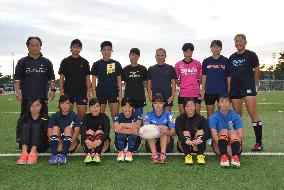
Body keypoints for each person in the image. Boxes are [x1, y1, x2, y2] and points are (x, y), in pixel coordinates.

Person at [14, 36, 55, 149]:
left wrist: (52, 90)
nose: (34, 47)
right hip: (27, 98)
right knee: (24, 120)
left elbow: (52, 78)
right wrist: (18, 92)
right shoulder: (22, 62)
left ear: (40, 47)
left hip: (42, 98)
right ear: (28, 47)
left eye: (37, 45)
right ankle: (22, 143)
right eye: (32, 45)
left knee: (44, 120)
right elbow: (17, 79)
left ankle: (43, 143)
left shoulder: (47, 62)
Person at [229, 34, 263, 151]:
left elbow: (257, 69)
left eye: (241, 41)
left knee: (253, 114)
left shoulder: (251, 55)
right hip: (235, 89)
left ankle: (258, 142)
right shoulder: (232, 57)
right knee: (237, 116)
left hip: (248, 87)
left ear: (245, 42)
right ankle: (238, 142)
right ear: (234, 43)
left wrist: (255, 83)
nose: (239, 43)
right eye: (236, 41)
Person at [58, 39, 91, 119]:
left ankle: (80, 131)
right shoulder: (65, 61)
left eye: (78, 47)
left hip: (81, 92)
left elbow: (88, 78)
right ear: (71, 48)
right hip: (68, 92)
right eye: (74, 47)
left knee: (82, 117)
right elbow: (62, 77)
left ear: (81, 49)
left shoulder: (84, 62)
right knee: (67, 116)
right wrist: (61, 90)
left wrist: (88, 90)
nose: (76, 49)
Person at [209, 95, 243, 168]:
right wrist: (227, 148)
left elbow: (240, 135)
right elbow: (214, 136)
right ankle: (223, 157)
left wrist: (231, 147)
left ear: (230, 103)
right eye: (221, 101)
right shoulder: (213, 117)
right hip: (219, 145)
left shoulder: (236, 116)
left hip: (234, 145)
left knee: (233, 131)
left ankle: (235, 157)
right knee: (224, 131)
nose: (224, 104)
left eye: (227, 101)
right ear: (218, 104)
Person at [91, 41, 122, 118]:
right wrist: (94, 95)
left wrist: (120, 94)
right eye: (104, 49)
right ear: (101, 51)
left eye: (109, 49)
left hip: (113, 92)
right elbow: (94, 80)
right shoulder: (96, 64)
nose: (107, 52)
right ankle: (100, 130)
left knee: (115, 116)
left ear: (112, 51)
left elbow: (119, 80)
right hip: (100, 92)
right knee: (99, 116)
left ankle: (116, 130)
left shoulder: (116, 64)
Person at [48, 95, 81, 165]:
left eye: (67, 103)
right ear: (59, 105)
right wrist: (59, 144)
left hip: (71, 144)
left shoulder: (75, 116)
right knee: (55, 128)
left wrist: (69, 144)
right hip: (58, 144)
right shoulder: (55, 116)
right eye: (62, 103)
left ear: (71, 105)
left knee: (68, 129)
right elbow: (49, 131)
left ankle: (63, 156)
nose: (64, 105)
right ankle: (54, 155)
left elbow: (77, 131)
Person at [175, 98, 210, 165]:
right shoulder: (180, 118)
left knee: (200, 132)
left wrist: (200, 140)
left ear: (195, 106)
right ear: (184, 108)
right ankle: (188, 156)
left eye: (192, 105)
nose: (190, 108)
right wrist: (187, 141)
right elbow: (178, 132)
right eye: (187, 106)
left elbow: (207, 131)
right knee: (185, 132)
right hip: (184, 145)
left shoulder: (201, 118)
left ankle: (200, 155)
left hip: (197, 145)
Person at [143, 94, 176, 164]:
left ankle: (163, 155)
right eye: (155, 103)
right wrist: (160, 126)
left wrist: (164, 131)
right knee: (150, 131)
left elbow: (173, 132)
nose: (158, 105)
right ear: (152, 104)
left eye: (160, 103)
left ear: (164, 103)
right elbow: (145, 126)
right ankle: (154, 155)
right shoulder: (149, 114)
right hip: (151, 143)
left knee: (164, 132)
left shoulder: (169, 115)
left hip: (167, 144)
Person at [201, 40, 230, 117]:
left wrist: (229, 90)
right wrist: (203, 91)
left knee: (223, 113)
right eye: (213, 47)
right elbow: (204, 77)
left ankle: (222, 129)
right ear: (211, 48)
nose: (215, 49)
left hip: (222, 91)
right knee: (210, 114)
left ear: (221, 48)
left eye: (218, 47)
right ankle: (211, 129)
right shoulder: (206, 61)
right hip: (209, 91)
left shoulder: (226, 60)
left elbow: (228, 77)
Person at [17, 98, 49, 165]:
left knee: (36, 126)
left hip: (40, 146)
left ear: (42, 106)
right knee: (25, 126)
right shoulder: (23, 118)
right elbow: (18, 133)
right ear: (29, 107)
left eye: (37, 105)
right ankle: (24, 153)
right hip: (26, 145)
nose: (34, 108)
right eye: (32, 106)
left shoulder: (46, 118)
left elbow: (46, 135)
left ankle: (33, 153)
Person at [81, 98, 111, 164]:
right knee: (90, 131)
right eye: (92, 106)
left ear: (100, 107)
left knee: (99, 132)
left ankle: (97, 154)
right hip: (88, 144)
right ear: (89, 108)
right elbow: (82, 131)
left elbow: (107, 132)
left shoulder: (104, 117)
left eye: (97, 106)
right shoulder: (86, 117)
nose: (95, 108)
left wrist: (99, 141)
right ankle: (88, 154)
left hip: (102, 145)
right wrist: (87, 140)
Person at [175, 43, 202, 114]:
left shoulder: (197, 63)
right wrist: (180, 85)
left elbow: (200, 78)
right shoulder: (178, 65)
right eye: (186, 51)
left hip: (195, 93)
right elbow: (175, 78)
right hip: (183, 93)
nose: (188, 53)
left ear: (192, 52)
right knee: (183, 116)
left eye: (190, 51)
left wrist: (196, 85)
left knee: (196, 115)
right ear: (183, 52)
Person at [113, 98, 142, 162]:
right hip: (119, 145)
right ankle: (121, 152)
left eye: (129, 107)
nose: (127, 109)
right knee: (121, 134)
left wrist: (122, 125)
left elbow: (137, 126)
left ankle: (129, 153)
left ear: (133, 108)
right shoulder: (117, 116)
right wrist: (132, 131)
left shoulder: (137, 116)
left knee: (132, 135)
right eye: (125, 107)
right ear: (121, 107)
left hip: (135, 145)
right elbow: (116, 129)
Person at [122, 48, 148, 116]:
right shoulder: (125, 69)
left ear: (138, 57)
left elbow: (145, 83)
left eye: (136, 55)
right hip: (128, 98)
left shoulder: (143, 69)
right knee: (128, 116)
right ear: (129, 56)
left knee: (138, 117)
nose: (134, 57)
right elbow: (125, 83)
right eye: (132, 55)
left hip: (140, 97)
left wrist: (148, 93)